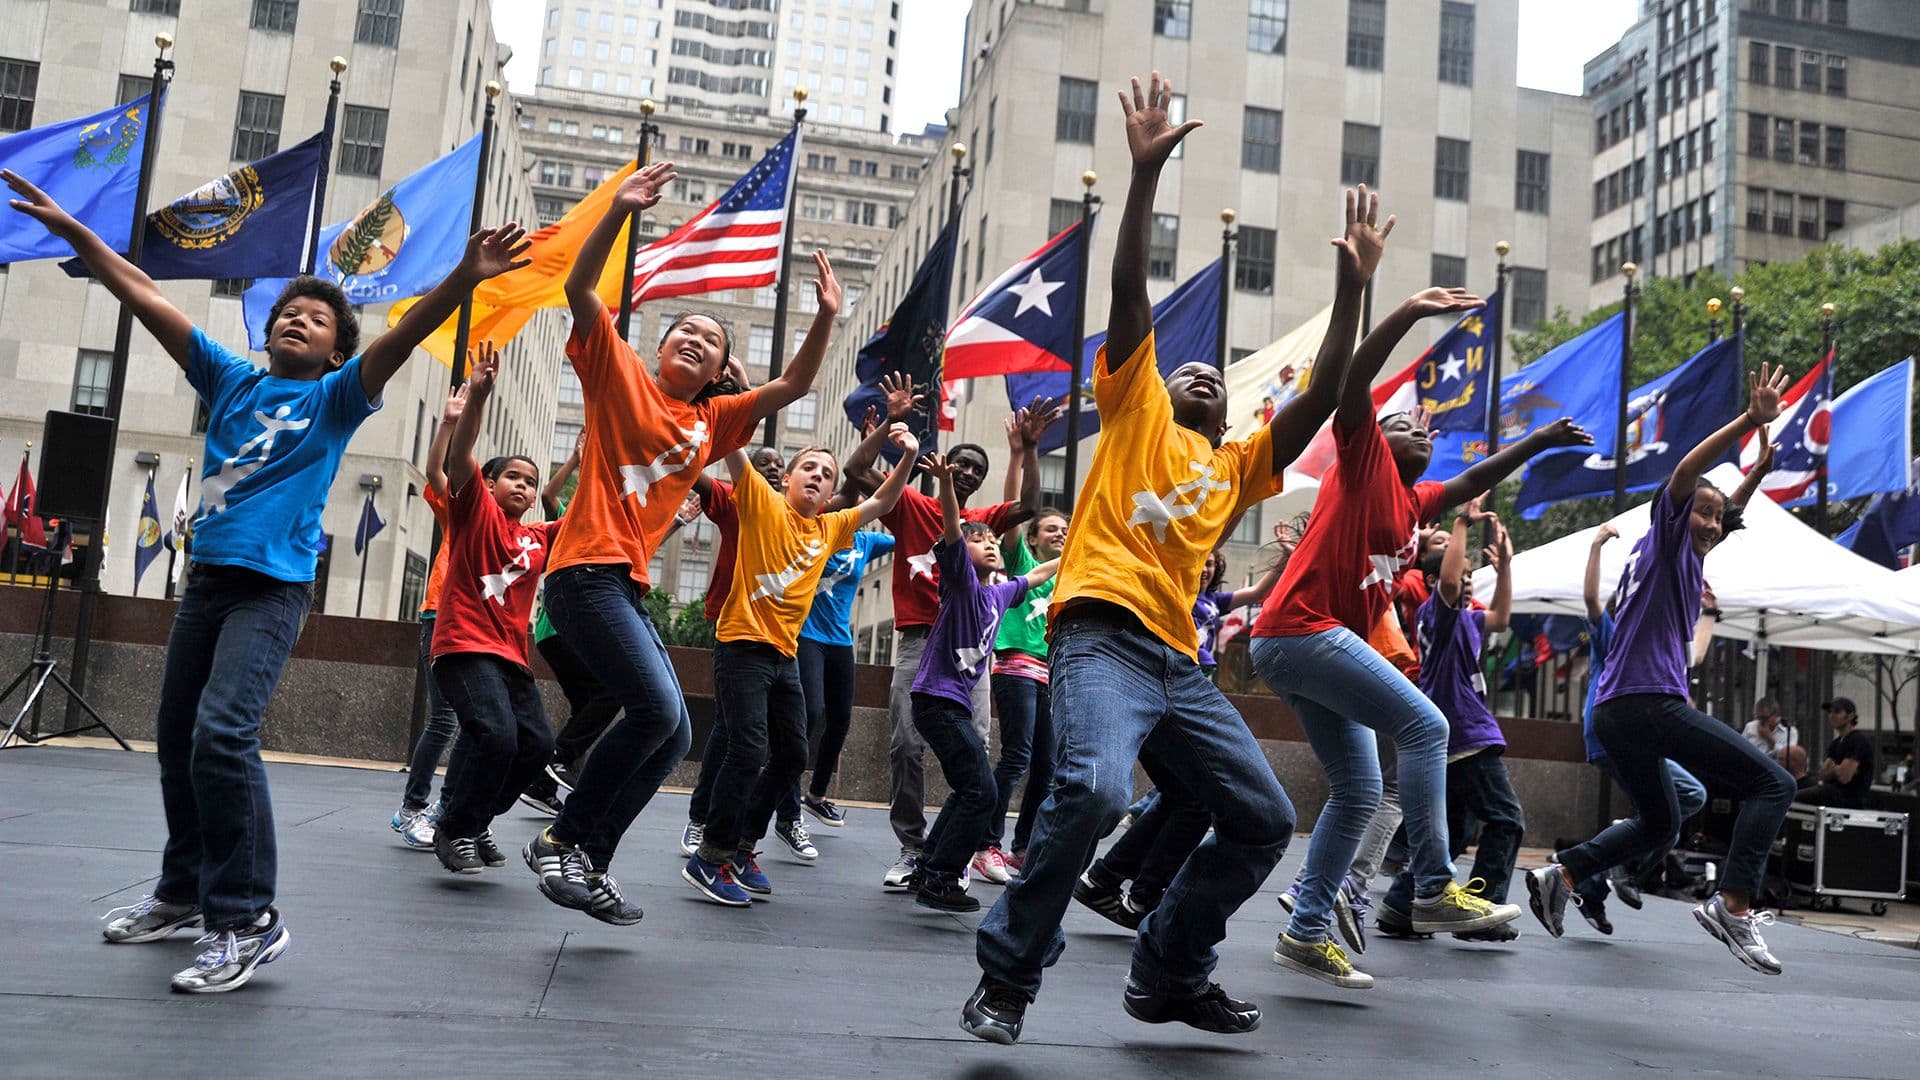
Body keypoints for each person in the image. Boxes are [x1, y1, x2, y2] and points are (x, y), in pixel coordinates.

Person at [4, 162, 532, 993]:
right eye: (289, 311)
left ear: (334, 349)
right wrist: (75, 233)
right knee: (179, 745)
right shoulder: (229, 378)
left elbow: (394, 343)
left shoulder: (335, 399)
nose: (299, 320)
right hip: (205, 584)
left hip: (270, 591)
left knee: (222, 735)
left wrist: (464, 275)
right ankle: (184, 892)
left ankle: (248, 918)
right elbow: (145, 294)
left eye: (319, 318)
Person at [965, 72, 1375, 1044]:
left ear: (1230, 415)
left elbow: (1319, 397)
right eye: (1185, 367)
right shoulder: (1135, 407)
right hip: (1098, 641)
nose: (1197, 374)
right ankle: (1010, 975)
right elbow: (1126, 290)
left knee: (1264, 818)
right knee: (1099, 789)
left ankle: (1168, 973)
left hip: (1177, 663)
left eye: (1214, 381)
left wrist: (1355, 289)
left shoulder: (1237, 466)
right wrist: (1146, 175)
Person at [524, 160, 837, 925]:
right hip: (583, 571)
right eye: (684, 331)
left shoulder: (713, 422)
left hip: (621, 584)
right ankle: (562, 839)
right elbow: (580, 291)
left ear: (719, 370)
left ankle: (588, 861)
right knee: (661, 713)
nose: (696, 340)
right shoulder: (618, 373)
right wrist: (619, 214)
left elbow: (791, 388)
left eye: (710, 339)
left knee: (673, 731)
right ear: (659, 349)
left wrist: (827, 314)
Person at [1249, 285, 1587, 986]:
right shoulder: (1361, 458)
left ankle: (1306, 931)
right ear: (1379, 436)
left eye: (1428, 433)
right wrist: (1407, 312)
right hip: (1296, 631)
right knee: (1427, 727)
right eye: (1409, 424)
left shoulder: (1417, 501)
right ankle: (1433, 885)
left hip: (1302, 650)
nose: (1422, 431)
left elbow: (1471, 479)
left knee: (1361, 789)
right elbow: (1352, 383)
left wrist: (1540, 440)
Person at [1524, 363, 1800, 976]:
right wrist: (1749, 421)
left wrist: (1753, 475)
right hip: (1647, 702)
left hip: (1620, 711)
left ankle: (1563, 873)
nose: (1709, 523)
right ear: (1678, 515)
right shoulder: (1666, 537)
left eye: (1715, 518)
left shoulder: (1684, 558)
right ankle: (1732, 904)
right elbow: (1683, 477)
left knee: (1660, 820)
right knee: (1772, 784)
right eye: (1700, 512)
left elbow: (1722, 519)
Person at [683, 430, 921, 905]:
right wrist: (733, 397)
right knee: (748, 749)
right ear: (786, 479)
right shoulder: (760, 502)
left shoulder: (831, 529)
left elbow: (882, 501)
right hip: (741, 647)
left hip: (784, 656)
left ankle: (743, 847)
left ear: (831, 495)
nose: (817, 476)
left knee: (793, 754)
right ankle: (709, 858)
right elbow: (732, 449)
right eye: (809, 468)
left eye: (827, 474)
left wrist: (910, 455)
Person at [861, 394, 1052, 891]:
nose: (968, 471)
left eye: (977, 468)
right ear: (939, 466)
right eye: (961, 464)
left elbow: (1029, 506)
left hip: (971, 656)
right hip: (918, 643)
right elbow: (858, 474)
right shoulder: (913, 505)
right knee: (906, 745)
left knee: (978, 749)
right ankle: (912, 846)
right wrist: (889, 425)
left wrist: (1028, 449)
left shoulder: (982, 525)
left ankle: (954, 850)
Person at [427, 343, 563, 876]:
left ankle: (476, 817)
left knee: (536, 746)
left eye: (530, 482)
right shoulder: (474, 510)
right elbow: (458, 461)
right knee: (494, 733)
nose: (524, 487)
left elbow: (604, 528)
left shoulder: (539, 537)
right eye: (514, 477)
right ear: (491, 484)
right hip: (462, 644)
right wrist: (478, 399)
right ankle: (453, 826)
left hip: (512, 657)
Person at [909, 452, 1059, 912]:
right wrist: (947, 487)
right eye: (981, 541)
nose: (990, 543)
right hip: (936, 700)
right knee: (981, 791)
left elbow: (1035, 574)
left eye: (994, 539)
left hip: (951, 705)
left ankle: (929, 866)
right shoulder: (960, 584)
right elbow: (953, 528)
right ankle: (939, 878)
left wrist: (1077, 553)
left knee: (970, 788)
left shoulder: (999, 593)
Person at [1379, 501, 1523, 943]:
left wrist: (1506, 570)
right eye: (1460, 578)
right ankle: (1485, 909)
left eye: (1467, 580)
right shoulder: (1435, 616)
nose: (1464, 584)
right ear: (1433, 582)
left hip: (1456, 733)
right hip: (1463, 731)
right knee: (1506, 819)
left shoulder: (1466, 618)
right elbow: (1444, 577)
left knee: (1457, 829)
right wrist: (1461, 523)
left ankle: (1401, 905)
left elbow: (1500, 618)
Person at [520, 436, 621, 817]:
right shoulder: (572, 518)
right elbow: (548, 495)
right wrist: (575, 460)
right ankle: (556, 759)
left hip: (560, 631)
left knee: (588, 705)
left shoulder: (612, 529)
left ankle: (543, 784)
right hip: (561, 628)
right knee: (609, 694)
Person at [391, 385, 467, 846]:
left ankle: (450, 810)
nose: (518, 489)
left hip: (478, 632)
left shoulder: (514, 533)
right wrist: (448, 424)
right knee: (444, 721)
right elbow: (437, 472)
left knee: (474, 725)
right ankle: (413, 808)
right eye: (508, 479)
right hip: (441, 616)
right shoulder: (460, 514)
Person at [979, 495, 1069, 884]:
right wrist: (1021, 454)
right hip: (1015, 669)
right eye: (1052, 529)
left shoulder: (1072, 576)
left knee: (1047, 766)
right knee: (1017, 756)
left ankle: (1024, 847)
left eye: (1065, 531)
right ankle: (984, 844)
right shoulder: (1023, 563)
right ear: (1032, 539)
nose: (1061, 535)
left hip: (1050, 676)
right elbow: (1013, 518)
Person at [1799, 698, 1874, 809]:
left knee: (1795, 797)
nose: (1831, 715)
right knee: (1794, 793)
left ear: (1850, 716)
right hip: (1831, 794)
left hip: (1848, 799)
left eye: (1837, 711)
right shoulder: (1836, 743)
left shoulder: (1857, 740)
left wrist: (1833, 769)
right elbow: (1823, 775)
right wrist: (1837, 769)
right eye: (1829, 712)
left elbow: (1844, 777)